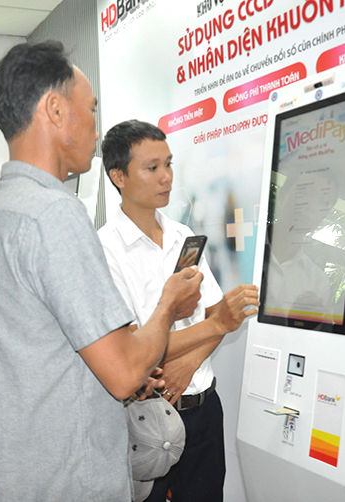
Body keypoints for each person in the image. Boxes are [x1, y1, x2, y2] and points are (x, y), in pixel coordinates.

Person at [0, 41, 203, 501]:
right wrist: (169, 304)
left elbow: (38, 349)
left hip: (21, 473)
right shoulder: (55, 214)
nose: (95, 128)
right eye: (90, 109)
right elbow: (125, 372)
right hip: (74, 479)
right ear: (55, 110)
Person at [98, 120, 260, 502]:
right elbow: (132, 352)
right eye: (152, 168)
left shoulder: (182, 237)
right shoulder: (104, 249)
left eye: (169, 164)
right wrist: (217, 322)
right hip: (146, 420)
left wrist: (190, 363)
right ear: (118, 176)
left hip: (203, 408)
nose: (166, 177)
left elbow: (216, 316)